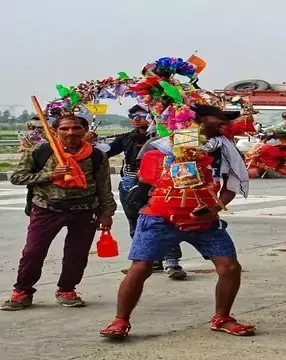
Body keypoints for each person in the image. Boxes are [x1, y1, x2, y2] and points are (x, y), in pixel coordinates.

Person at [100, 104, 254, 338]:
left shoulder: (224, 148)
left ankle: (223, 317)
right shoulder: (162, 146)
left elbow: (231, 184)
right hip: (159, 218)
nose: (226, 123)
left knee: (230, 267)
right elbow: (148, 180)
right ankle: (120, 320)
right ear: (199, 120)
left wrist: (213, 209)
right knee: (140, 268)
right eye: (220, 118)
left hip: (205, 220)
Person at [2, 115, 116, 311]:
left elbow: (104, 186)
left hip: (85, 209)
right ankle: (22, 291)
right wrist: (51, 174)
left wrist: (107, 212)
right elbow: (18, 177)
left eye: (75, 128)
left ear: (85, 130)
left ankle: (67, 289)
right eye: (64, 129)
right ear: (55, 131)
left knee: (77, 253)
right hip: (47, 208)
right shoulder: (42, 151)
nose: (70, 132)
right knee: (33, 251)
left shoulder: (96, 155)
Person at [106, 105, 185, 279]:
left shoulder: (167, 138)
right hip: (131, 183)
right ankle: (146, 260)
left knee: (166, 220)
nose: (135, 118)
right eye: (132, 115)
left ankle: (172, 262)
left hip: (160, 183)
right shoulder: (126, 138)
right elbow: (106, 153)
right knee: (136, 221)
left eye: (141, 115)